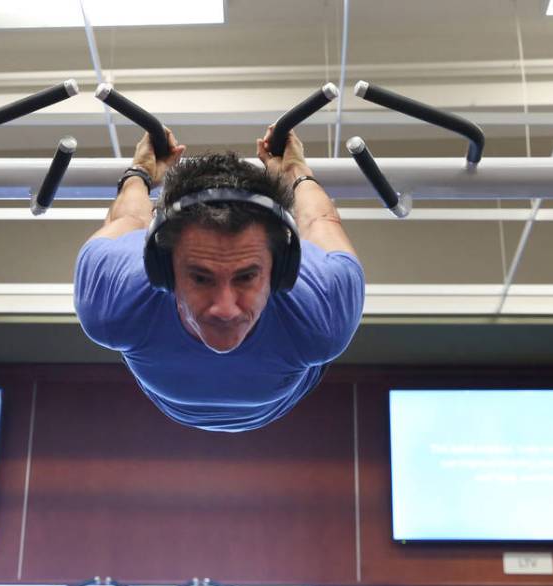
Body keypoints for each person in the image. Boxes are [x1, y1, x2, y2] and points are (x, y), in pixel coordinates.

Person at [74, 126, 365, 432]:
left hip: (273, 402)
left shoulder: (323, 313)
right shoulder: (113, 303)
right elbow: (130, 221)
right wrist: (141, 172)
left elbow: (317, 221)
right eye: (201, 278)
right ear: (162, 270)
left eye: (247, 277)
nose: (225, 309)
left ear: (281, 270)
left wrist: (295, 170)